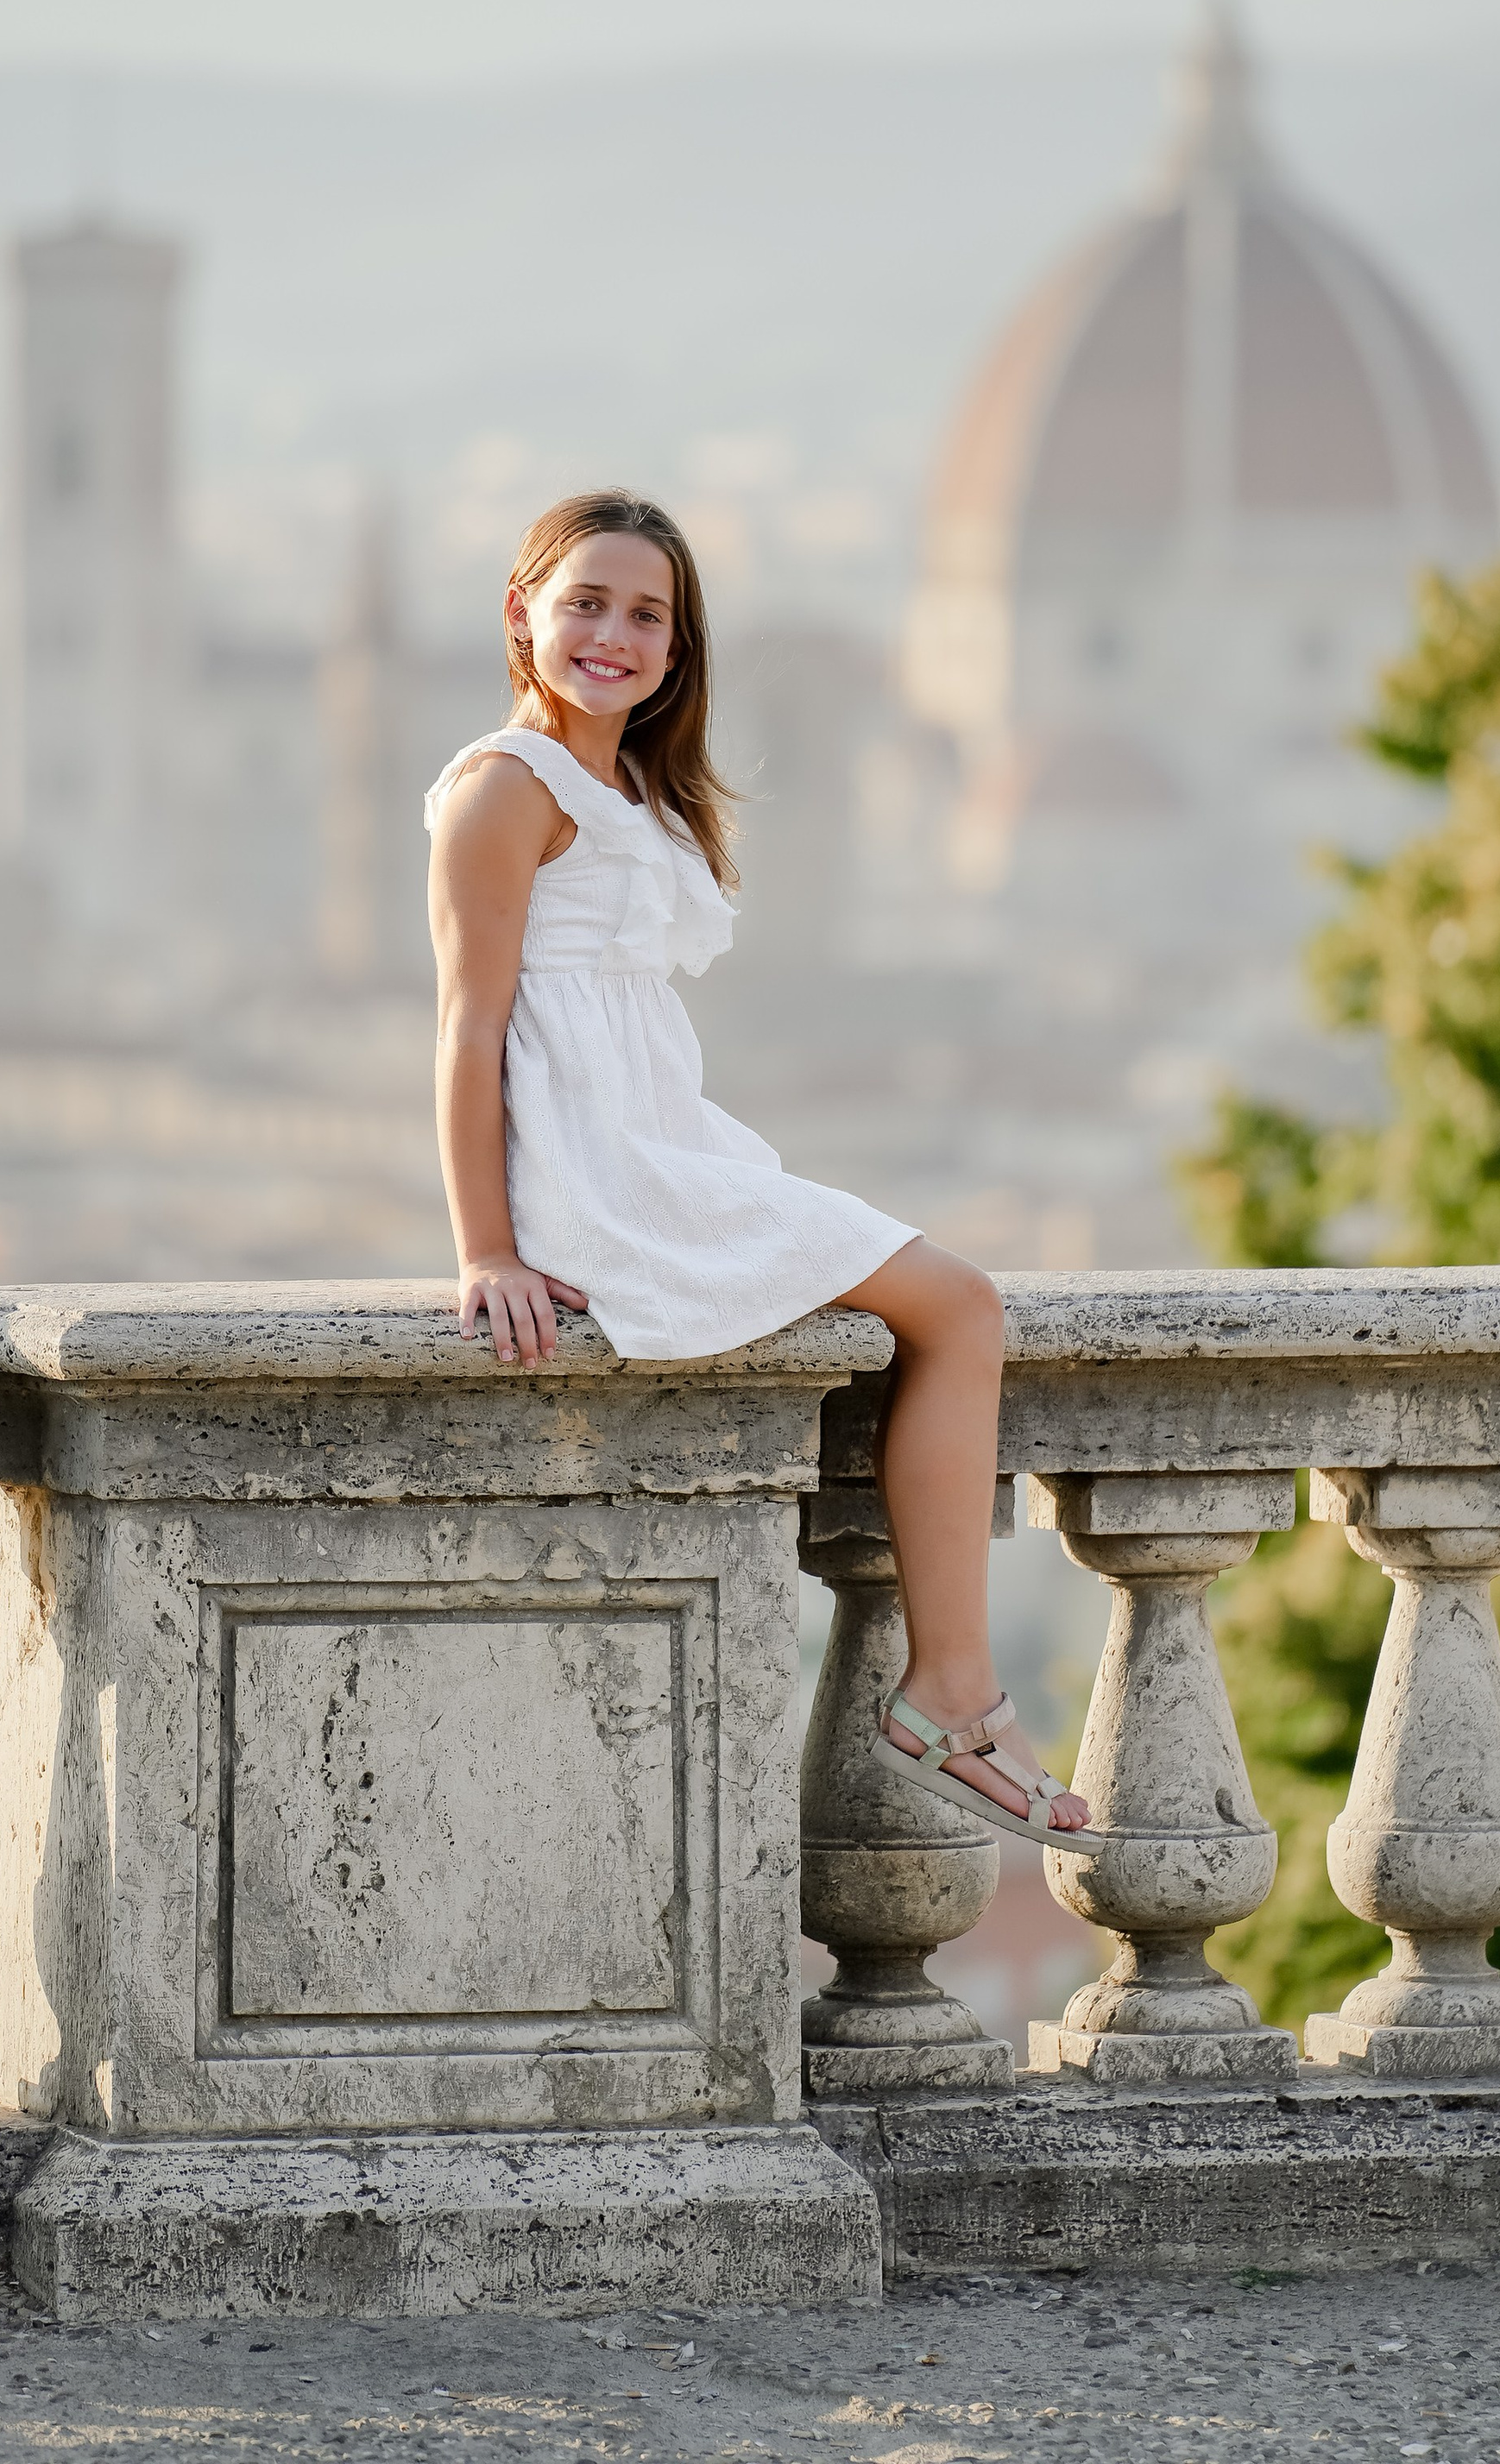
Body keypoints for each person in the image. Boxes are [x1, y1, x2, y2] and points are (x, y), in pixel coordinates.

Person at [425, 487, 1098, 1852]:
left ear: (678, 652)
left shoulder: (622, 791)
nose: (614, 634)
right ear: (523, 616)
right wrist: (487, 1249)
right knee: (960, 1306)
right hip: (606, 1171)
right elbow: (468, 1026)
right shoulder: (505, 789)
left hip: (661, 1140)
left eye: (647, 614)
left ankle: (949, 1686)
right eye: (587, 603)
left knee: (951, 1308)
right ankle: (948, 1693)